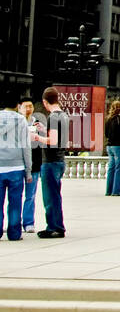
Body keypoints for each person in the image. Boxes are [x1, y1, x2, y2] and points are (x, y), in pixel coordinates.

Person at [34, 87, 69, 238]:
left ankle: (54, 227)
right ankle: (57, 225)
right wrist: (43, 130)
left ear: (45, 101)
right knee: (55, 195)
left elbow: (52, 141)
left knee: (50, 197)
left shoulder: (53, 117)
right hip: (60, 160)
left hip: (51, 161)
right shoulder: (63, 115)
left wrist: (36, 137)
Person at [0, 99, 32, 241]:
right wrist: (28, 170)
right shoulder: (21, 120)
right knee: (15, 202)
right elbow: (26, 147)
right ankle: (14, 233)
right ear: (17, 105)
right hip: (16, 167)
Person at [20, 100, 39, 234]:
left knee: (30, 195)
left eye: (30, 106)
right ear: (19, 107)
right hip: (17, 164)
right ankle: (13, 222)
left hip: (34, 164)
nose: (28, 109)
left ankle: (28, 222)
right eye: (26, 106)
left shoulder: (37, 123)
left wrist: (40, 133)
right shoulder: (16, 122)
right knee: (14, 196)